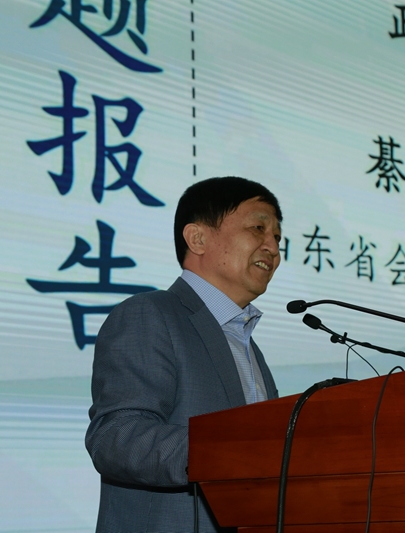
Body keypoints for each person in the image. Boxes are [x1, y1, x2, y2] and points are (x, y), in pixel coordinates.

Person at [85, 176, 283, 532]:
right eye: (258, 228)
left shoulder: (249, 347)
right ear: (197, 238)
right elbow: (116, 437)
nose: (273, 248)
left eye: (278, 238)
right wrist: (228, 452)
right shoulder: (150, 314)